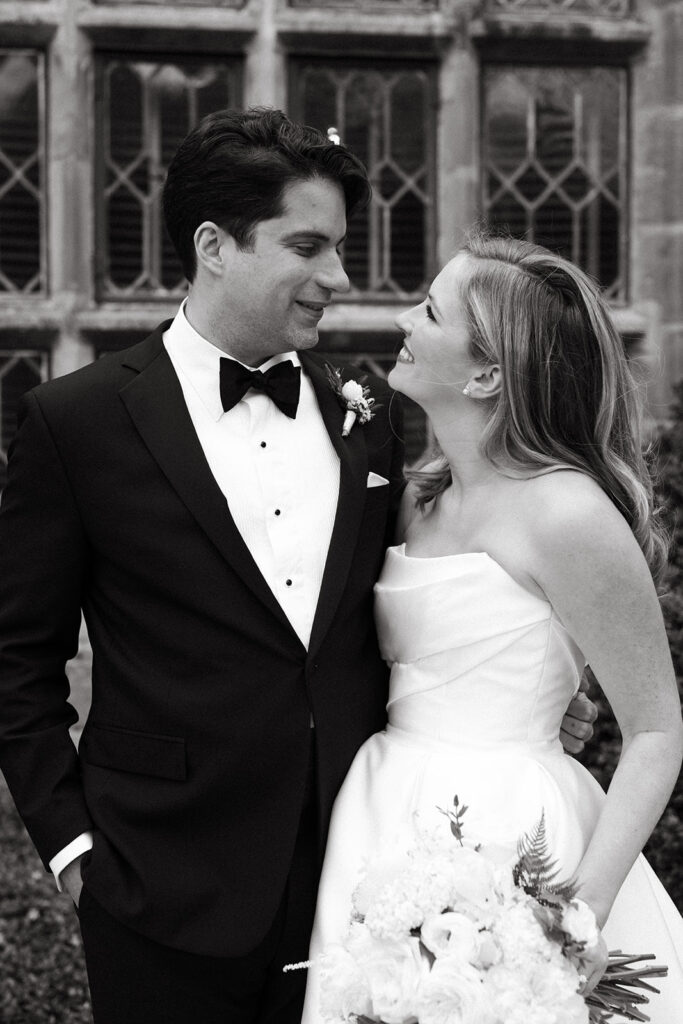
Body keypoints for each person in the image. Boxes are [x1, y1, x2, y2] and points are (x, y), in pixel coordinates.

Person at [0, 111, 594, 1024]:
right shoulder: (73, 422)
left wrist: (549, 685)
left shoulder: (367, 413)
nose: (338, 279)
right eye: (307, 246)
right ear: (214, 246)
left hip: (372, 890)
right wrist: (76, 853)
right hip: (159, 889)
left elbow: (425, 600)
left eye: (341, 248)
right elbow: (17, 663)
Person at [302, 233, 683, 1023]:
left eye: (430, 311)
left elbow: (654, 733)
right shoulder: (416, 497)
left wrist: (572, 920)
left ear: (486, 373)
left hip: (518, 833)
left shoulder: (566, 514)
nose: (403, 318)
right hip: (379, 813)